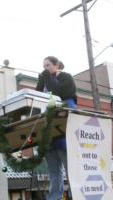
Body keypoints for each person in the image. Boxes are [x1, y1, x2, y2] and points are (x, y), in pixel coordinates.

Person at [36, 56, 77, 200]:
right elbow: (38, 96)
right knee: (54, 172)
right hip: (49, 133)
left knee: (71, 169)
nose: (45, 68)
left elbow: (60, 92)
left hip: (64, 129)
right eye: (44, 66)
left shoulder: (66, 77)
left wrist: (47, 78)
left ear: (57, 65)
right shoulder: (46, 79)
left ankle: (78, 195)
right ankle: (54, 197)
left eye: (48, 65)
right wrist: (42, 81)